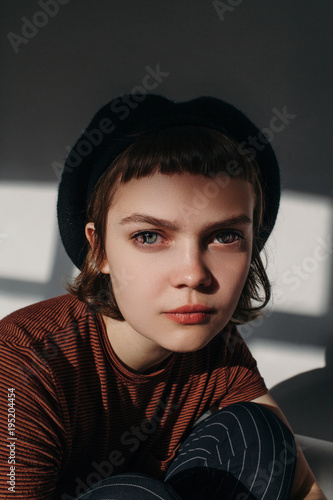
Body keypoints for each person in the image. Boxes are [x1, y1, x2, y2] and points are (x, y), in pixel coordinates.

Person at [0, 94, 326, 499]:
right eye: (149, 236)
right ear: (98, 249)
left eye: (225, 236)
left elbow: (304, 485)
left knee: (261, 434)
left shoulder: (216, 345)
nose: (193, 274)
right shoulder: (22, 359)